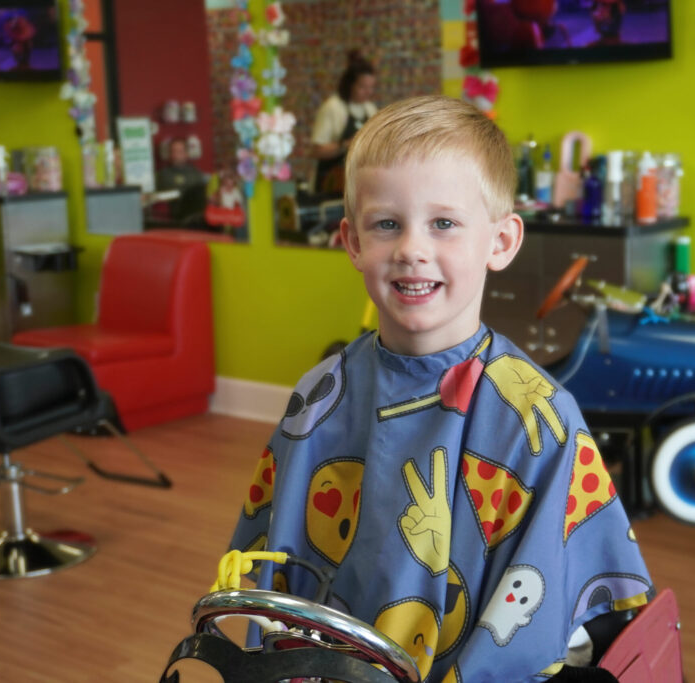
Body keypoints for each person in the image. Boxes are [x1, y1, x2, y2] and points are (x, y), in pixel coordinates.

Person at [227, 95, 652, 682]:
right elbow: (272, 580)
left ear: (500, 242)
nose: (411, 249)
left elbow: (553, 613)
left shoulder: (536, 416)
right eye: (386, 224)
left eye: (444, 223)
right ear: (352, 242)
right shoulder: (321, 395)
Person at [310, 50, 377, 195]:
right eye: (362, 87)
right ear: (349, 85)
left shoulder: (370, 109)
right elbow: (317, 151)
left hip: (358, 186)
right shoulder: (333, 107)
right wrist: (347, 144)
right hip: (332, 184)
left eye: (371, 87)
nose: (368, 92)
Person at [155, 138, 207, 223]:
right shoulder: (163, 175)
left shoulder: (196, 174)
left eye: (179, 152)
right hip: (171, 219)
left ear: (186, 154)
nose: (175, 155)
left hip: (194, 219)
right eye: (173, 151)